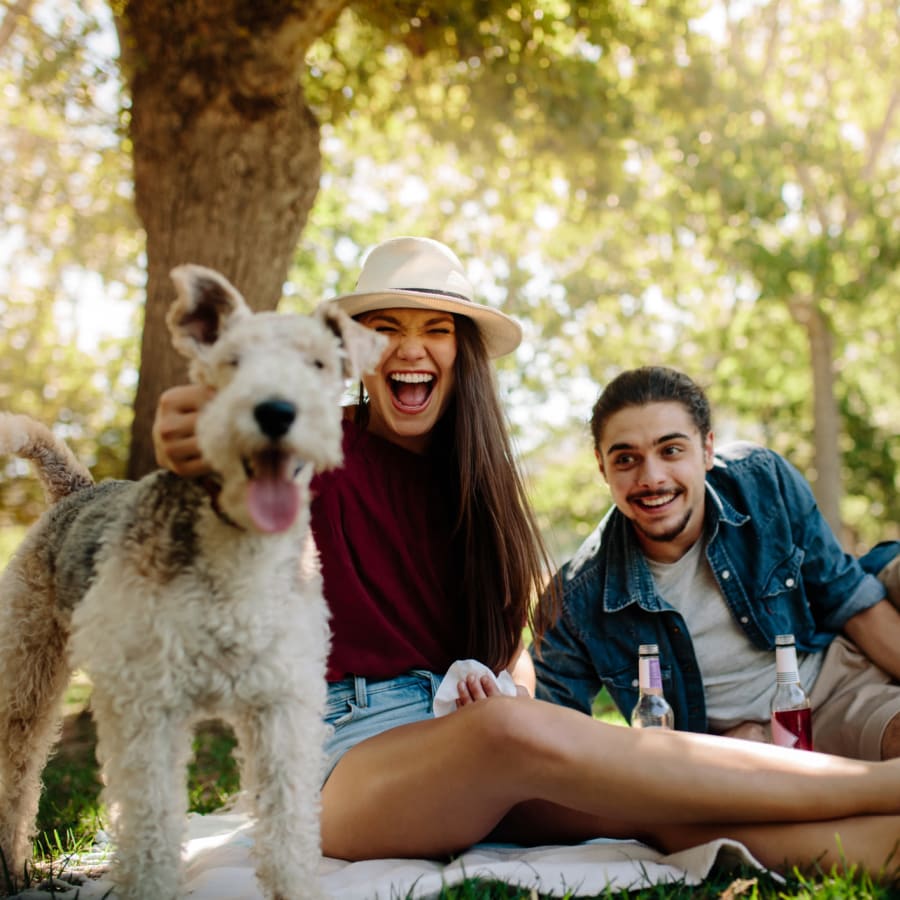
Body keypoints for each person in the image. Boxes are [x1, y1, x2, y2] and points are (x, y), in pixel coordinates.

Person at [154, 238, 900, 879]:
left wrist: (496, 680)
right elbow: (216, 457)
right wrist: (190, 429)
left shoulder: (481, 483)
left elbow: (511, 650)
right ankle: (880, 785)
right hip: (334, 758)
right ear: (356, 351)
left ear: (461, 350)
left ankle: (883, 845)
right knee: (514, 733)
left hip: (452, 728)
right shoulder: (311, 442)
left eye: (435, 329)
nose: (411, 348)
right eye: (385, 328)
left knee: (654, 809)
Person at [533, 365, 900, 762]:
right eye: (626, 459)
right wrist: (712, 751)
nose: (651, 477)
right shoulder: (575, 600)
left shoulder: (761, 481)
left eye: (671, 450)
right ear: (602, 466)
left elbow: (849, 599)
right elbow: (554, 736)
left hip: (828, 688)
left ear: (707, 449)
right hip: (726, 755)